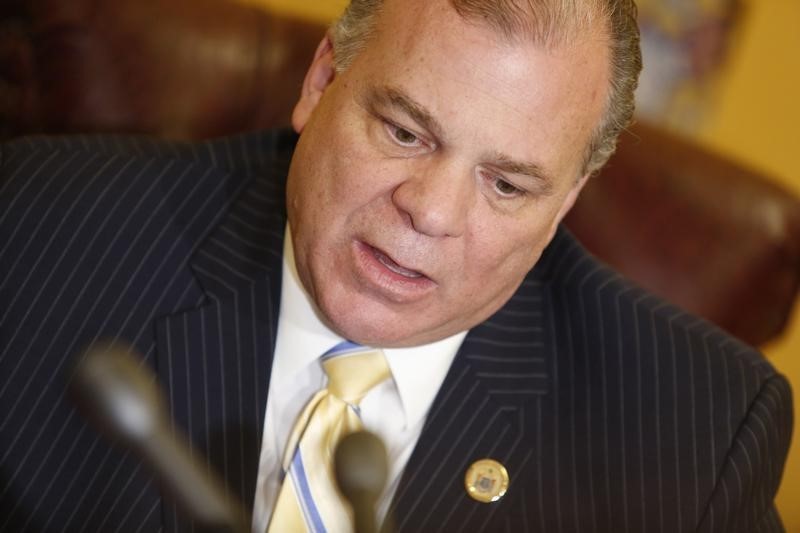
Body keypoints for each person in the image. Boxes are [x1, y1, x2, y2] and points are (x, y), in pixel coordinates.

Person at [0, 0, 792, 532]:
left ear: (567, 200)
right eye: (406, 133)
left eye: (508, 183)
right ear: (322, 83)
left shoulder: (697, 434)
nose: (433, 212)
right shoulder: (37, 231)